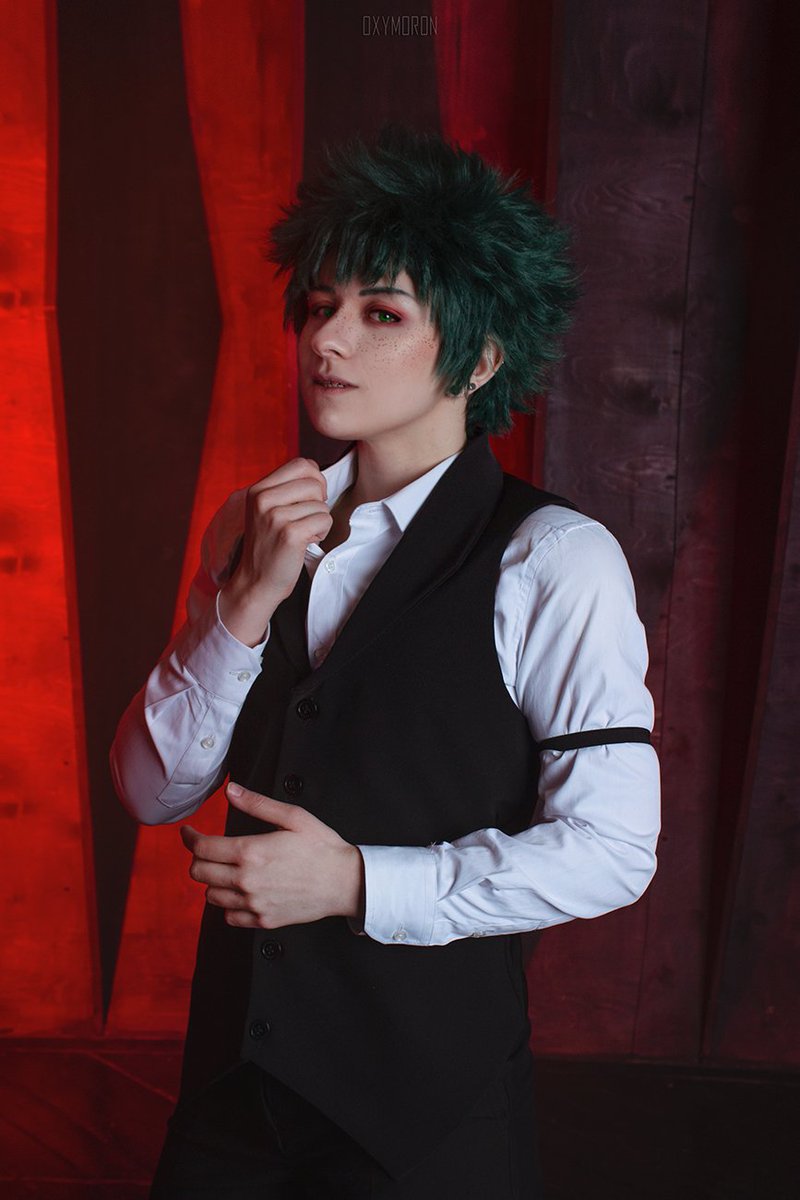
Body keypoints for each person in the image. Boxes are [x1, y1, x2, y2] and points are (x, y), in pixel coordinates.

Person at [110, 124, 661, 1198]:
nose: (327, 339)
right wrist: (244, 602)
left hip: (426, 1121)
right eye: (319, 306)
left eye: (381, 314)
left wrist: (358, 882)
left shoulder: (554, 558)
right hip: (231, 1096)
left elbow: (612, 849)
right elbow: (148, 788)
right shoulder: (253, 526)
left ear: (480, 358)